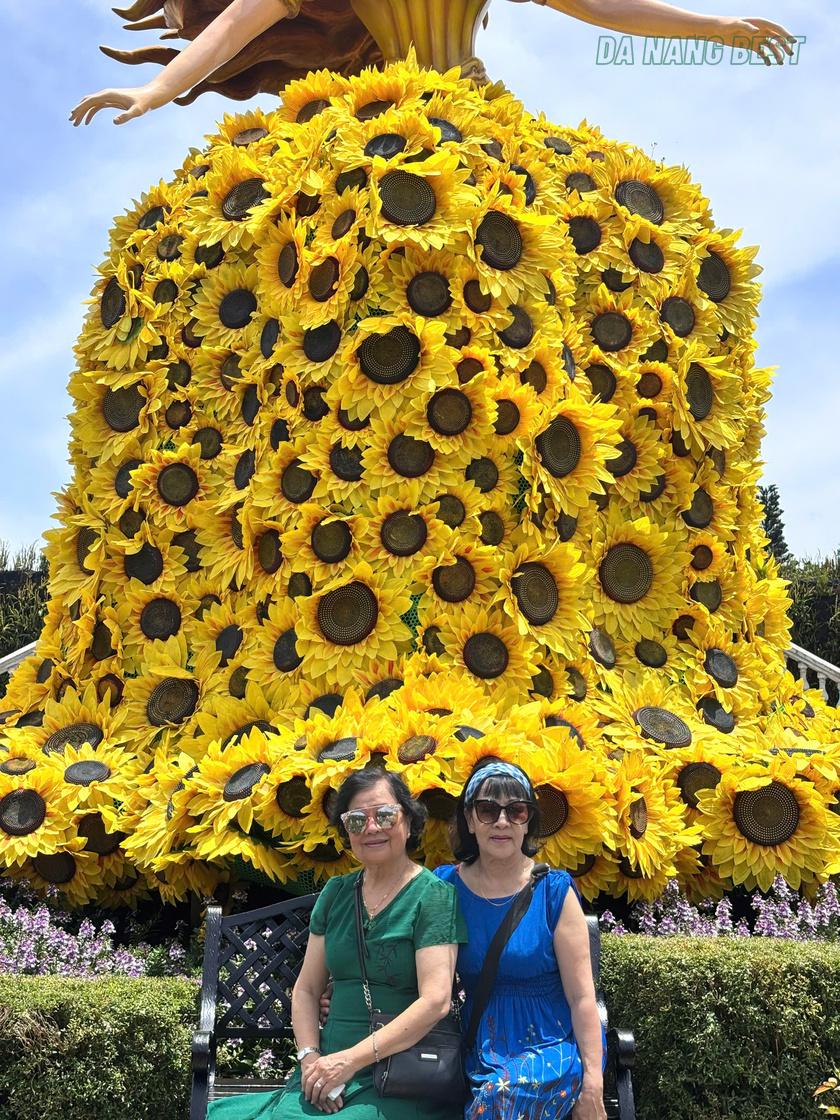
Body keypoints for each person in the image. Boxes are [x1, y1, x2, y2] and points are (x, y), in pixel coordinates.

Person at [69, 0, 796, 126]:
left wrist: (715, 26)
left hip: (476, 117)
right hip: (379, 118)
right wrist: (155, 89)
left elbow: (600, 7)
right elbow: (231, 27)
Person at [208, 767, 467, 1120]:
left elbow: (435, 1001)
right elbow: (307, 990)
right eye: (356, 820)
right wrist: (310, 1059)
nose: (371, 828)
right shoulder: (337, 893)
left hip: (400, 1071)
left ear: (408, 821)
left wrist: (349, 1061)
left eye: (385, 815)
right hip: (327, 1066)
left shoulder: (434, 896)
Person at [434, 757, 606, 1120]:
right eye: (487, 810)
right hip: (479, 1043)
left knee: (499, 1096)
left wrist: (593, 1083)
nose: (502, 822)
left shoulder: (554, 892)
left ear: (528, 822)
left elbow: (582, 998)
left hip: (551, 1043)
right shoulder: (446, 887)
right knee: (493, 1092)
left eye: (516, 811)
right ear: (469, 820)